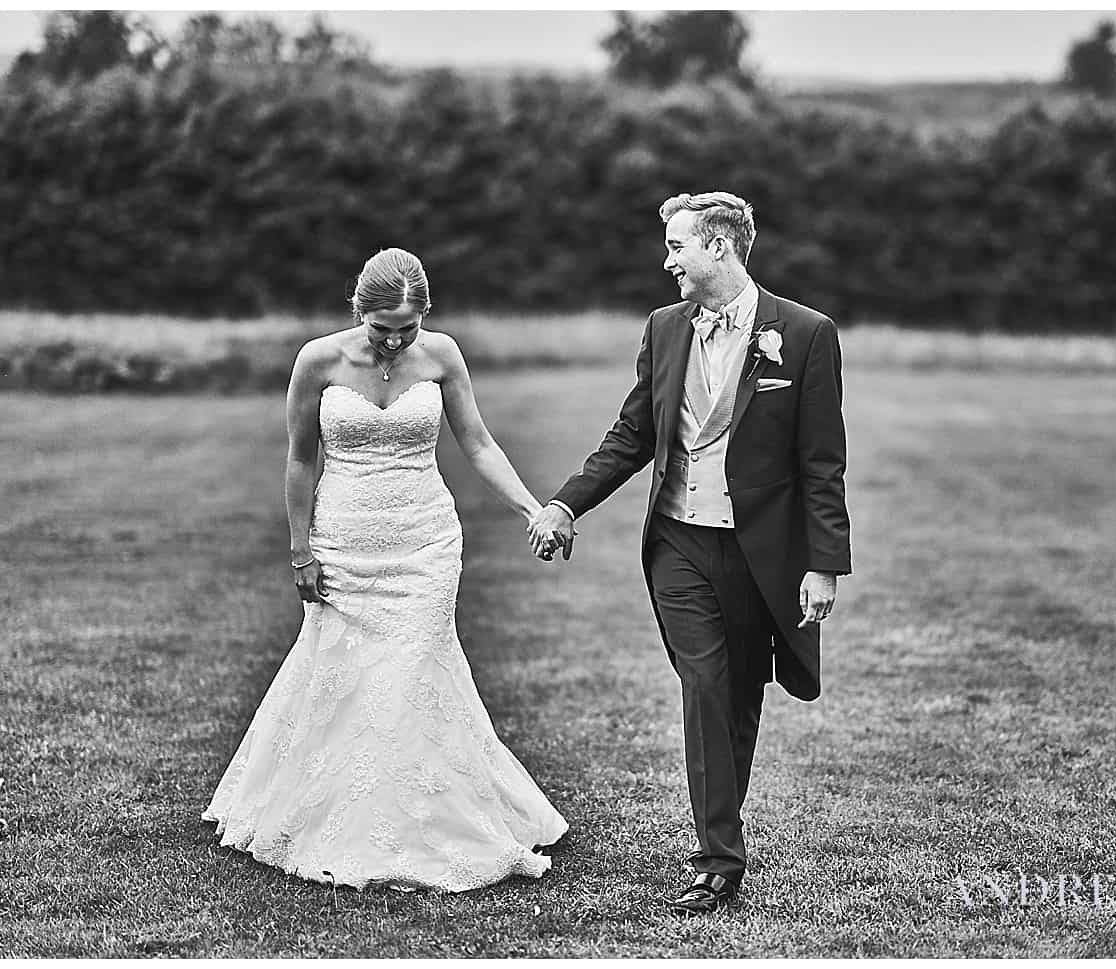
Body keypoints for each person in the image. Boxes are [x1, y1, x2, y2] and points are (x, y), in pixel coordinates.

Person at [203, 247, 568, 892]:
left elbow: (478, 443)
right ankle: (338, 816)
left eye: (409, 327)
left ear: (425, 315)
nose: (397, 342)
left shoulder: (443, 355)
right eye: (384, 329)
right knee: (343, 675)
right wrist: (300, 549)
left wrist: (532, 510)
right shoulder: (317, 360)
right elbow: (299, 460)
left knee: (415, 671)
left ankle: (426, 816)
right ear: (358, 312)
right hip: (344, 539)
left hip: (425, 540)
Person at [528, 191, 851, 914]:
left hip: (758, 550)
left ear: (721, 248)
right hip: (678, 541)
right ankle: (716, 859)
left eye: (678, 246)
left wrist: (824, 561)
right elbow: (633, 433)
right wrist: (565, 501)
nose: (667, 260)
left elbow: (822, 461)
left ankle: (718, 840)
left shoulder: (804, 334)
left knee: (739, 694)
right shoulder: (663, 328)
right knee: (705, 682)